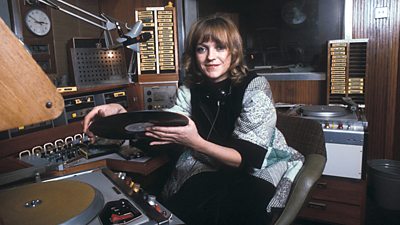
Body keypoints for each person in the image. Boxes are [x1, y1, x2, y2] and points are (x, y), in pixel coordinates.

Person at [83, 15, 304, 225]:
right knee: (182, 208)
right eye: (202, 49)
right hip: (210, 160)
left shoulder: (254, 87)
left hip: (256, 164)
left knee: (245, 207)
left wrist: (194, 142)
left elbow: (244, 160)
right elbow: (162, 127)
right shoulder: (190, 89)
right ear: (194, 54)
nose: (210, 57)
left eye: (220, 47)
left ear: (233, 52)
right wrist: (121, 114)